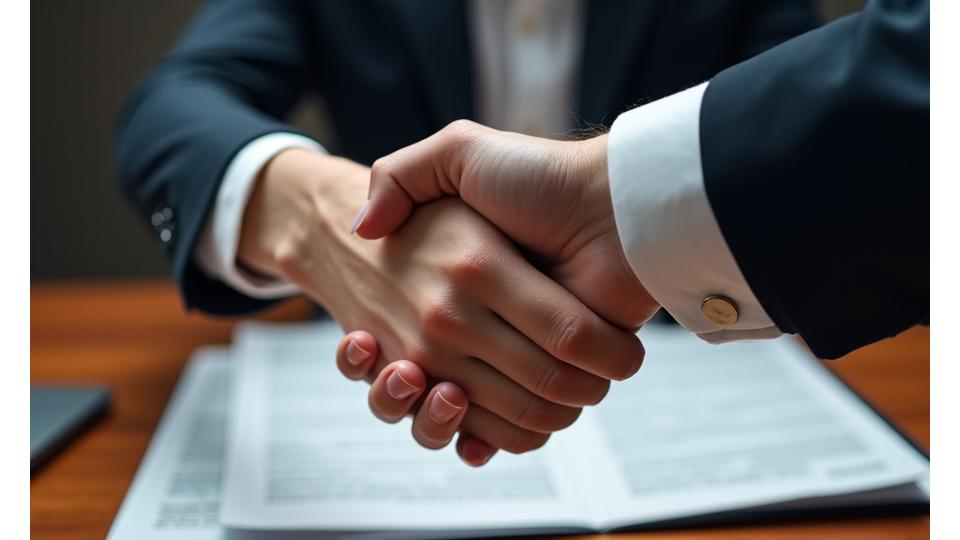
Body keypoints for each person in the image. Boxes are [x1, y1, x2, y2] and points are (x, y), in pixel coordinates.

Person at [116, 0, 818, 466]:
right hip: (382, 388)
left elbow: (805, 118)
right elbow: (171, 107)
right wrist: (324, 224)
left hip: (691, 379)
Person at [342, 0, 929, 464]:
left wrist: (612, 210)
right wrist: (335, 235)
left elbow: (807, 111)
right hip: (394, 366)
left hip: (701, 375)